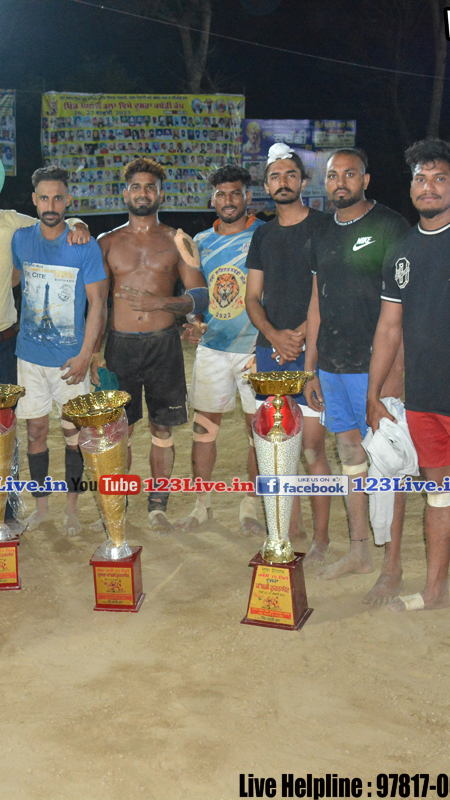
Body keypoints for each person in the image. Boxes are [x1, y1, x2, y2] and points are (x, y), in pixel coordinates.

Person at [366, 138, 450, 652]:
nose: (428, 187)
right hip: (422, 402)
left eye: (439, 178)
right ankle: (435, 589)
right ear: (411, 187)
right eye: (420, 179)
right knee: (439, 494)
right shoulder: (401, 249)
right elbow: (389, 327)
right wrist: (374, 393)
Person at [0, 151, 89, 529]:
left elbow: (54, 220)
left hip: (7, 342)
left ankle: (8, 509)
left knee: (7, 429)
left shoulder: (14, 223)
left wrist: (78, 222)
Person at [303, 148, 409, 602]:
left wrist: (392, 378)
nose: (340, 182)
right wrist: (310, 367)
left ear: (366, 180)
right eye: (332, 175)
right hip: (331, 365)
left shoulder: (390, 226)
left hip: (374, 368)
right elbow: (316, 301)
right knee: (351, 456)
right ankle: (360, 550)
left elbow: (403, 310)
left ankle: (392, 566)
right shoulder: (323, 232)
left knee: (388, 462)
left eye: (350, 174)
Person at [95, 157, 208, 532]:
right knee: (119, 431)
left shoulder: (178, 240)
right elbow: (96, 304)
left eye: (150, 187)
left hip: (163, 346)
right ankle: (118, 506)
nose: (143, 193)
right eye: (136, 187)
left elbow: (199, 296)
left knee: (163, 429)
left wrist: (162, 303)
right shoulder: (107, 242)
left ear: (160, 194)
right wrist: (94, 353)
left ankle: (158, 507)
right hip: (119, 347)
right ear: (124, 193)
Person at [242, 144, 333, 564]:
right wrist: (274, 336)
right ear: (266, 185)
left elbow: (327, 291)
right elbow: (252, 297)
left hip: (312, 351)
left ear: (303, 181)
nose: (283, 182)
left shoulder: (324, 227)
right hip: (271, 354)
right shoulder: (262, 234)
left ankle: (322, 540)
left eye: (290, 175)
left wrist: (296, 337)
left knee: (313, 449)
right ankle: (287, 533)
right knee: (278, 450)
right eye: (275, 176)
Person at [12, 167, 107, 536]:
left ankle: (71, 509)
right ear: (34, 201)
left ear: (68, 201)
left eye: (57, 198)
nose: (51, 205)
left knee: (74, 435)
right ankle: (41, 508)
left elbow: (98, 304)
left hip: (71, 360)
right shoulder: (21, 239)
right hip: (29, 357)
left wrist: (86, 354)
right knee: (35, 432)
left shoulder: (85, 245)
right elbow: (16, 279)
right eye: (44, 198)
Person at [174, 164, 264, 534]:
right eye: (221, 194)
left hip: (254, 348)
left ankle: (251, 506)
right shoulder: (199, 242)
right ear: (212, 199)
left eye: (235, 193)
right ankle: (202, 505)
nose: (228, 200)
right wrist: (193, 321)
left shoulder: (264, 235)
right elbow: (196, 295)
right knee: (204, 429)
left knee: (259, 433)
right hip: (213, 348)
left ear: (248, 197)